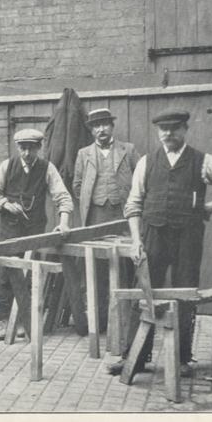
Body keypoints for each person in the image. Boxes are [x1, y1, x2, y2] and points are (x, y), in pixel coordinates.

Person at [107, 109, 212, 377]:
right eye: (164, 129)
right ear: (158, 132)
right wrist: (136, 241)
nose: (168, 134)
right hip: (152, 236)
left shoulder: (204, 161)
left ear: (185, 130)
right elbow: (133, 205)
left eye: (174, 128)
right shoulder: (147, 162)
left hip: (188, 238)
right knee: (144, 293)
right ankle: (133, 358)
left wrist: (209, 207)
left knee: (185, 295)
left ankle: (183, 359)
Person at [0, 128, 74, 323]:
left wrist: (63, 223)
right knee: (5, 273)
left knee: (30, 273)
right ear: (18, 147)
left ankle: (26, 321)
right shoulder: (6, 166)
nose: (27, 153)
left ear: (39, 148)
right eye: (23, 148)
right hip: (9, 229)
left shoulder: (47, 168)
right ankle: (3, 321)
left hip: (33, 230)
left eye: (31, 148)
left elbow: (63, 197)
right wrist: (7, 205)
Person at [73, 108, 140, 332]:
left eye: (104, 124)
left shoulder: (128, 150)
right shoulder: (83, 154)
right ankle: (100, 321)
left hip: (122, 217)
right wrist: (91, 202)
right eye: (95, 125)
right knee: (97, 269)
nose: (100, 129)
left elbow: (140, 180)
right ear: (91, 130)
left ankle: (125, 321)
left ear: (112, 126)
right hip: (96, 218)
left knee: (125, 267)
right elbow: (77, 185)